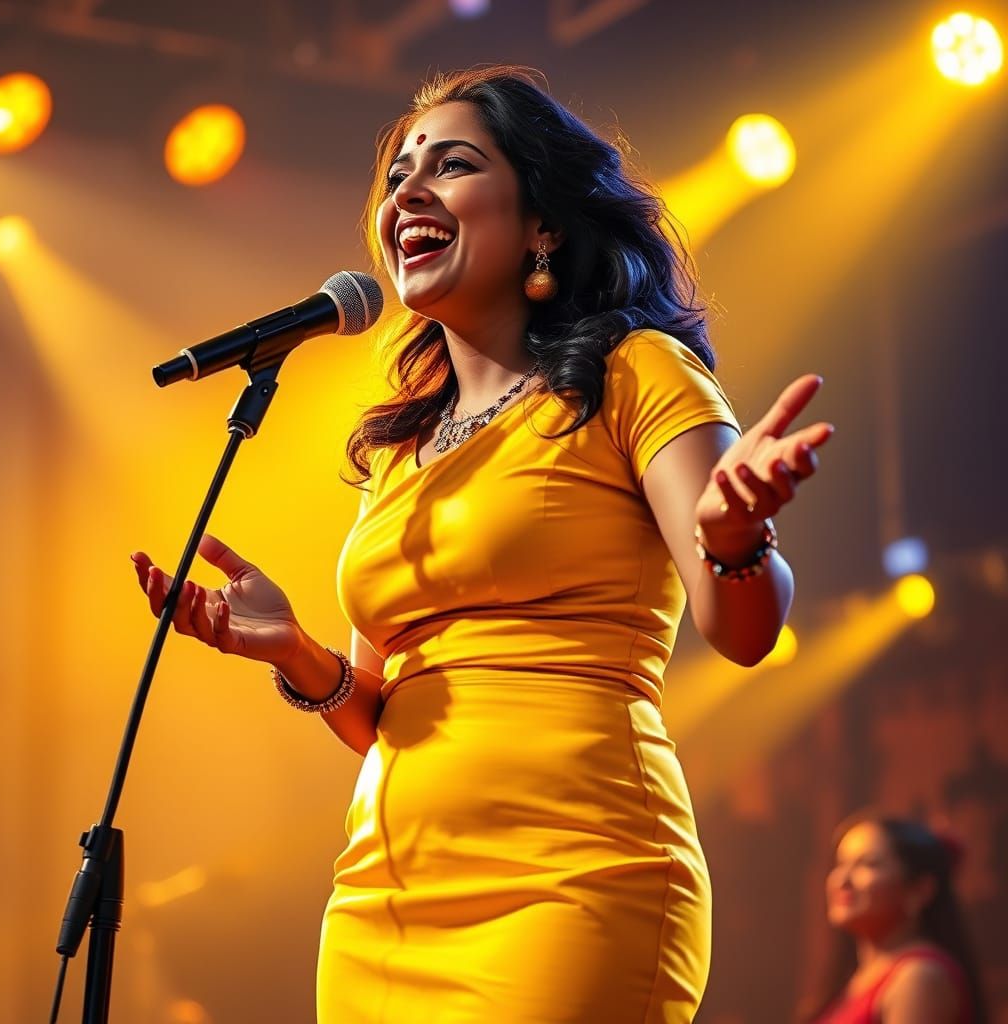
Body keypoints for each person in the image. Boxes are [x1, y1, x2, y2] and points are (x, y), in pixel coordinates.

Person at [132, 66, 833, 1024]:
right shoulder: (398, 450)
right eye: (395, 179)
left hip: (574, 875)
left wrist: (734, 537)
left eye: (451, 167)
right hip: (384, 898)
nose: (408, 192)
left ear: (543, 223)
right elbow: (380, 712)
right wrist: (295, 652)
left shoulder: (634, 373)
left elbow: (744, 631)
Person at [802, 815, 986, 1024]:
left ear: (920, 889)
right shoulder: (856, 978)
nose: (843, 879)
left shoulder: (919, 977)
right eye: (840, 864)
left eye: (868, 864)